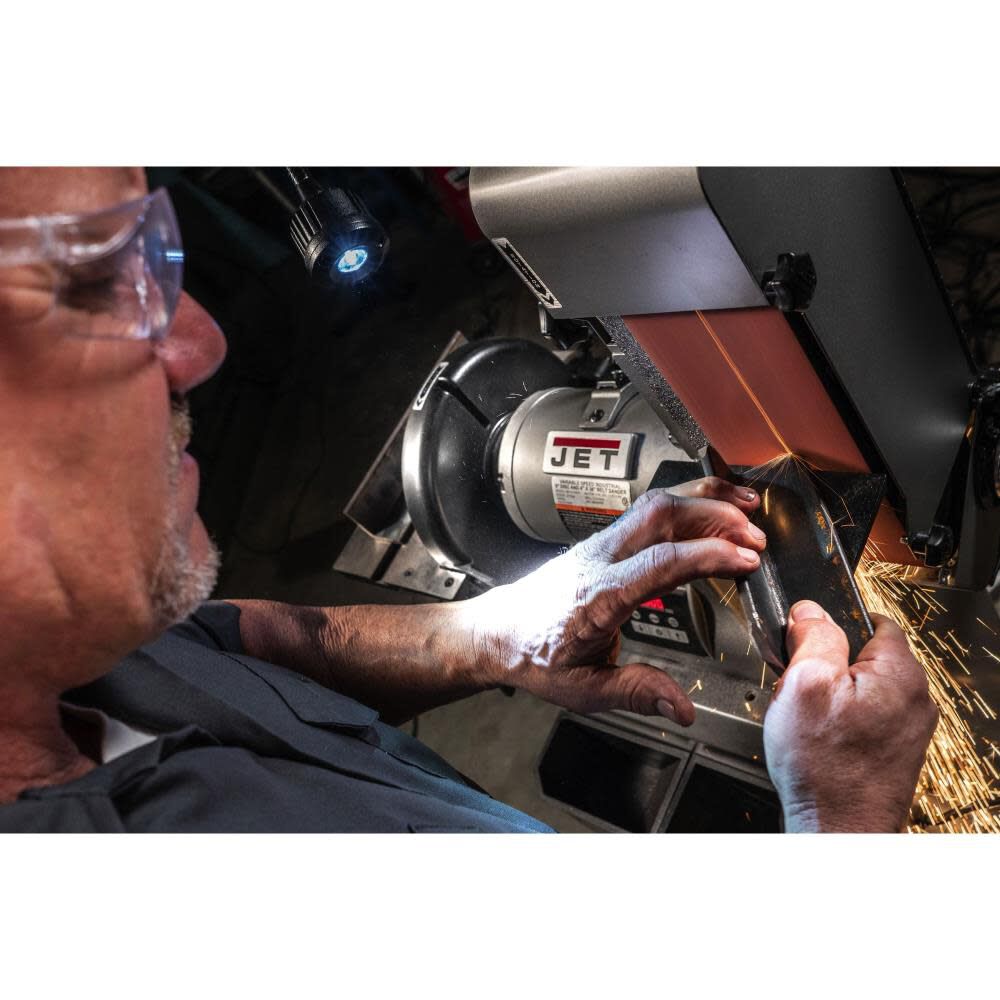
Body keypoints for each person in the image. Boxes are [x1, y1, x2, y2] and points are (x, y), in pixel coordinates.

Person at [0, 167, 938, 832]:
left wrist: (491, 637)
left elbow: (233, 643)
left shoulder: (72, 651)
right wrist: (842, 821)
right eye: (92, 286)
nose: (200, 347)